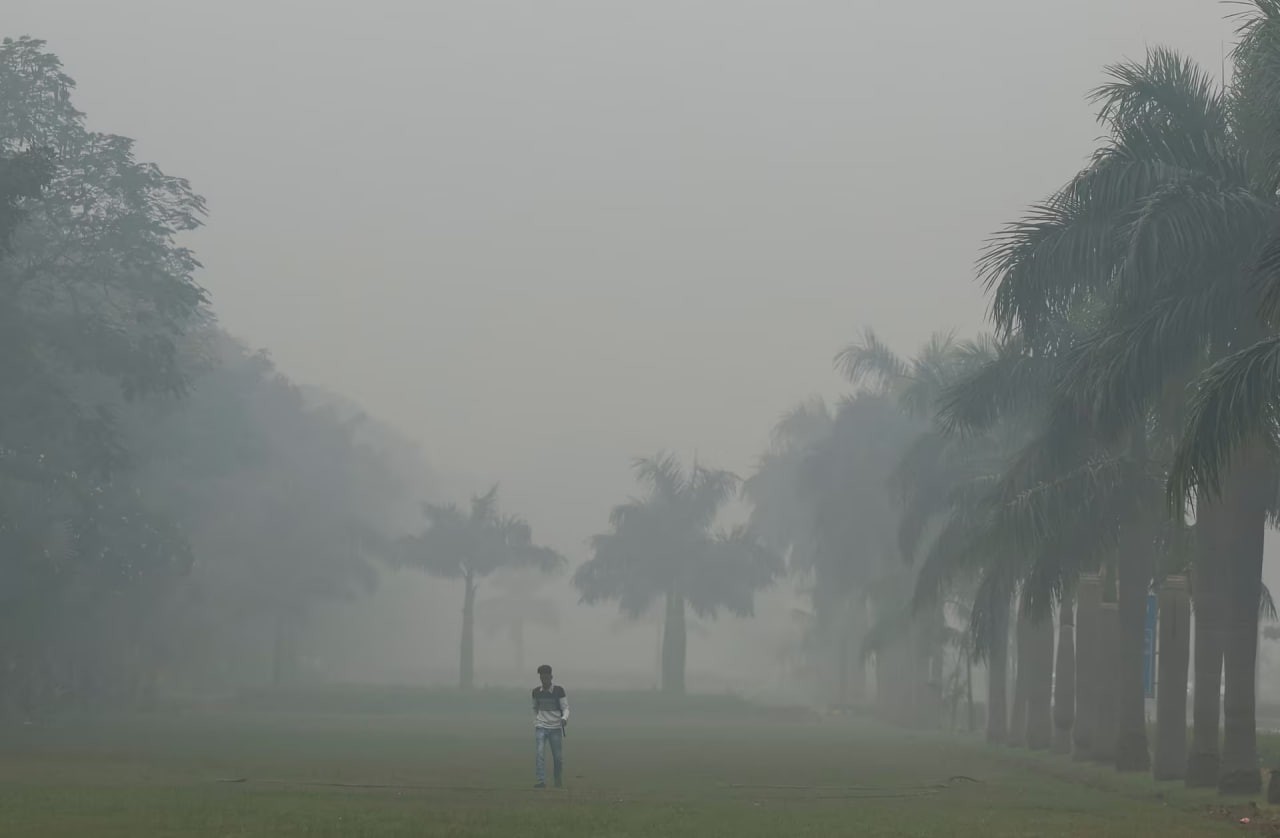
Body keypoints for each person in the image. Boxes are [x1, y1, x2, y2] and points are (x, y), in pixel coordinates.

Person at [531, 664, 568, 788]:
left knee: (557, 757)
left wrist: (564, 718)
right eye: (542, 678)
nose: (544, 680)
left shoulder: (559, 690)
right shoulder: (536, 692)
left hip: (555, 728)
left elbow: (565, 708)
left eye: (546, 677)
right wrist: (537, 721)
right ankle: (541, 781)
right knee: (539, 753)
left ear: (551, 677)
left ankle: (557, 780)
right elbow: (535, 708)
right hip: (541, 726)